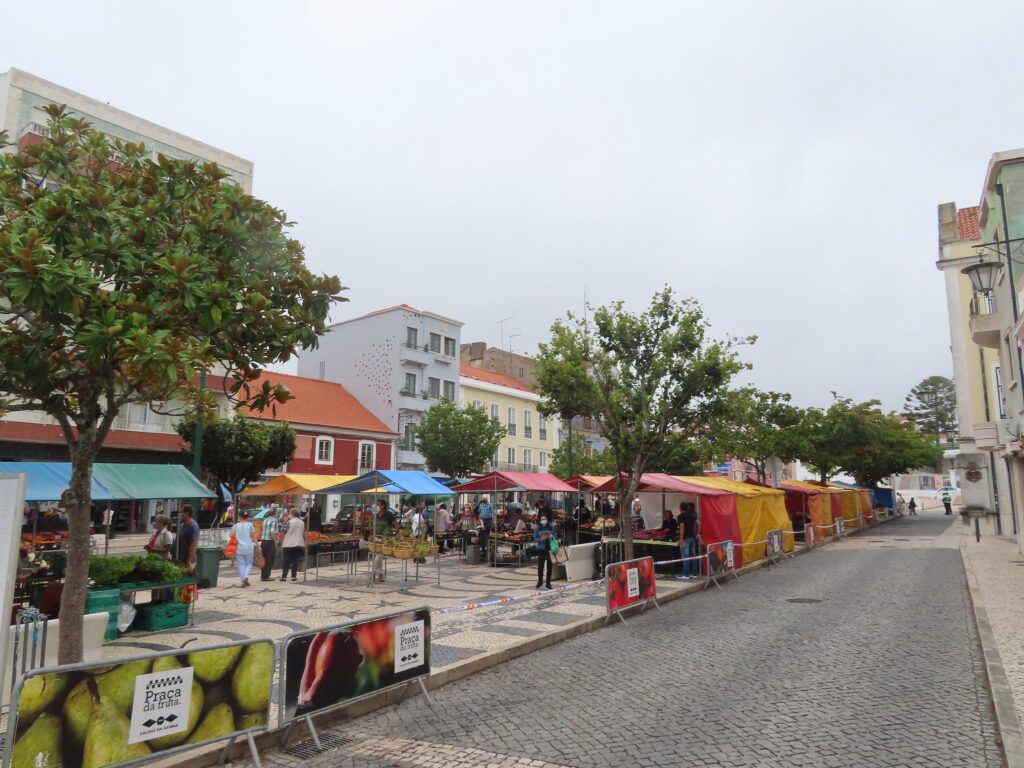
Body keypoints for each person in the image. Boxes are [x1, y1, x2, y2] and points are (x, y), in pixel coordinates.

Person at [372, 499, 397, 582]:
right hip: (377, 537)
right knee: (379, 556)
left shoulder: (389, 514)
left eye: (378, 505)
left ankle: (373, 573)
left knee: (379, 555)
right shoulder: (377, 514)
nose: (377, 506)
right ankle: (381, 575)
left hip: (386, 538)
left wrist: (396, 534)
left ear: (383, 506)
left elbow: (396, 525)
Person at [232, 510, 257, 587]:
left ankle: (243, 580)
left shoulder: (236, 525)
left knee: (241, 564)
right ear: (247, 517)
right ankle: (246, 577)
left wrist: (237, 538)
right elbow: (253, 537)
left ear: (240, 516)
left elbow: (231, 535)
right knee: (249, 563)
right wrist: (258, 546)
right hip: (249, 547)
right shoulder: (250, 525)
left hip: (239, 547)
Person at [280, 508, 306, 582]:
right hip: (299, 543)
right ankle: (294, 576)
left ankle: (284, 576)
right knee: (295, 560)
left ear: (292, 514)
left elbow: (284, 530)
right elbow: (303, 533)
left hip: (289, 543)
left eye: (290, 513)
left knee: (286, 560)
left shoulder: (289, 522)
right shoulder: (302, 522)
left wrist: (284, 522)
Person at [676, 502, 700, 580]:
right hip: (692, 538)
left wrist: (681, 539)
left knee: (685, 556)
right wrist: (698, 533)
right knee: (693, 556)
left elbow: (682, 527)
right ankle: (694, 573)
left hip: (685, 538)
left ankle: (685, 574)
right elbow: (699, 523)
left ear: (680, 508)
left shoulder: (680, 516)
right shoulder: (692, 515)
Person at [534, 508, 557, 590]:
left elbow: (555, 535)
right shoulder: (537, 528)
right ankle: (540, 581)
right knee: (540, 566)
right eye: (542, 519)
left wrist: (552, 536)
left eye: (545, 519)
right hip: (541, 549)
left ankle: (548, 583)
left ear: (547, 520)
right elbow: (535, 538)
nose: (543, 521)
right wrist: (541, 539)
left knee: (549, 566)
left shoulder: (551, 527)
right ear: (540, 520)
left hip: (550, 548)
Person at [175, 505, 200, 571]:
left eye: (181, 512)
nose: (180, 514)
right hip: (179, 559)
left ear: (187, 513)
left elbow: (193, 544)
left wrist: (189, 560)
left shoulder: (193, 526)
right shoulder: (182, 525)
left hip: (187, 561)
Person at [259, 509, 280, 581]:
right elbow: (272, 532)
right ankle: (266, 576)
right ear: (275, 514)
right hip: (269, 542)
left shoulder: (265, 520)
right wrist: (276, 541)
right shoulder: (274, 521)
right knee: (270, 559)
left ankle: (263, 575)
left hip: (263, 541)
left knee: (264, 558)